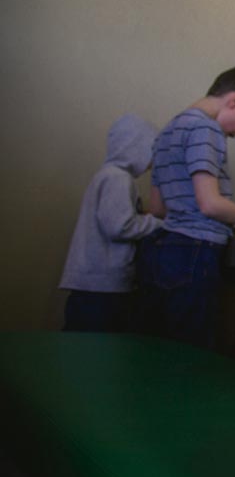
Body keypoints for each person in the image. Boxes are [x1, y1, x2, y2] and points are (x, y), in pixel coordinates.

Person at [138, 66, 235, 348]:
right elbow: (209, 203)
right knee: (192, 346)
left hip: (164, 248)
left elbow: (157, 208)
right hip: (196, 249)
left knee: (157, 342)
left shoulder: (168, 130)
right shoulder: (206, 128)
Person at [59, 113, 163, 332]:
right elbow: (120, 226)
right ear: (136, 148)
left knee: (82, 344)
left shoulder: (106, 175)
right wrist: (155, 223)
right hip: (102, 285)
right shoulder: (118, 178)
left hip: (90, 283)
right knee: (99, 347)